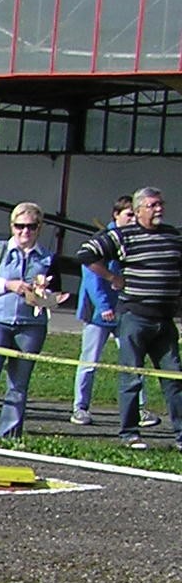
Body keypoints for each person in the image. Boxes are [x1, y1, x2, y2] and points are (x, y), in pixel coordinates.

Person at [76, 186, 182, 449]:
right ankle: (130, 433)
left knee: (174, 379)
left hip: (165, 320)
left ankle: (181, 434)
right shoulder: (123, 236)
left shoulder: (172, 236)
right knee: (131, 377)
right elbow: (86, 254)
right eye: (152, 205)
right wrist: (112, 277)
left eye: (161, 204)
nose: (159, 209)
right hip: (135, 318)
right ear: (138, 210)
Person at [0, 202, 67, 445]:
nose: (25, 231)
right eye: (19, 226)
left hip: (31, 324)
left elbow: (57, 293)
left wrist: (44, 295)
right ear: (12, 226)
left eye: (31, 227)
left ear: (39, 228)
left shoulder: (47, 258)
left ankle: (8, 434)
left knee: (19, 381)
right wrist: (9, 285)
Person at [72, 195, 133, 425]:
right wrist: (104, 306)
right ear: (116, 215)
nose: (133, 219)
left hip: (125, 309)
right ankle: (80, 407)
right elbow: (92, 277)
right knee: (90, 360)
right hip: (99, 312)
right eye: (129, 215)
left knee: (132, 360)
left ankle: (139, 408)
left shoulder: (134, 239)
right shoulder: (102, 240)